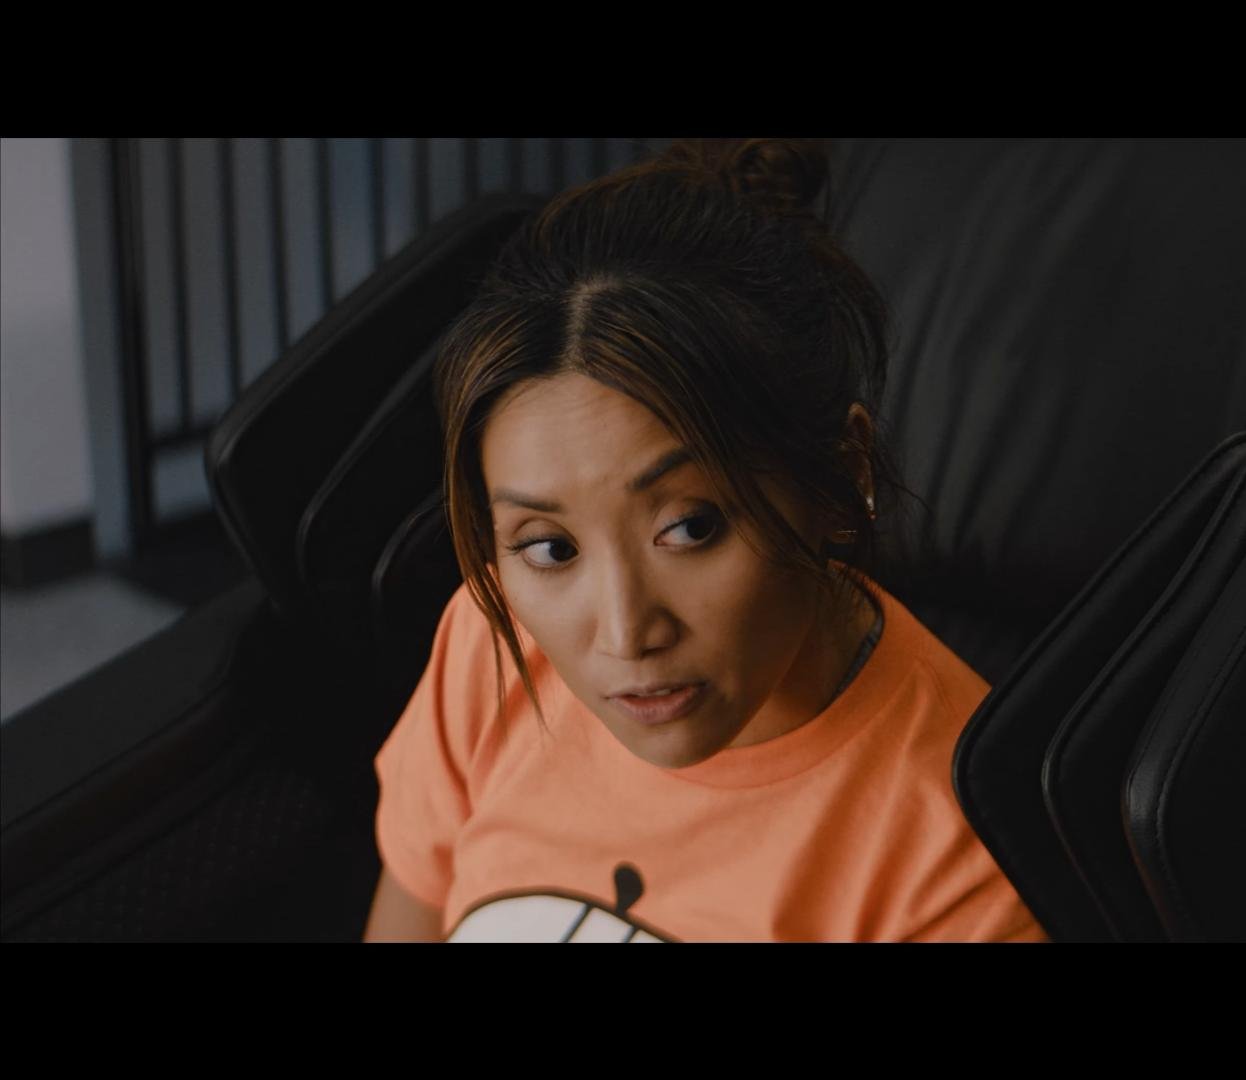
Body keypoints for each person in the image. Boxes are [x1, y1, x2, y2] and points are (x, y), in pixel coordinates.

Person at [362, 138, 1047, 942]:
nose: (626, 634)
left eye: (690, 527)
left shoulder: (961, 860)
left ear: (842, 473)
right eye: (551, 549)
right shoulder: (493, 647)